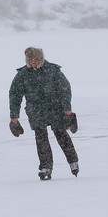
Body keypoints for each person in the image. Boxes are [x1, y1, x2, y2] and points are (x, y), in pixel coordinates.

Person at [9, 47, 79, 180]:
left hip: (55, 108)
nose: (33, 62)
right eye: (30, 60)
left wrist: (67, 109)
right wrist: (14, 116)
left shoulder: (52, 70)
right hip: (35, 110)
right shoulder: (23, 74)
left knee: (61, 134)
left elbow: (65, 89)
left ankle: (73, 162)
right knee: (41, 138)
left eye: (36, 59)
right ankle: (45, 167)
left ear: (41, 59)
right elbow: (14, 95)